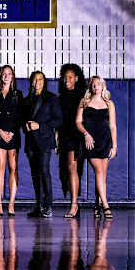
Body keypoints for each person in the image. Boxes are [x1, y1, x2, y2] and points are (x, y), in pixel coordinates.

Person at [76, 76, 117, 220]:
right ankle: (106, 205)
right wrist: (86, 134)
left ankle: (96, 205)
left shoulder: (109, 103)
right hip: (91, 142)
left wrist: (114, 146)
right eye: (93, 85)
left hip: (105, 141)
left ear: (103, 86)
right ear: (90, 87)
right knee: (99, 171)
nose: (95, 87)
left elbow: (112, 126)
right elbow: (78, 122)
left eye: (98, 84)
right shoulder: (84, 102)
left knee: (101, 176)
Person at [24, 71, 63, 218]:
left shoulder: (51, 98)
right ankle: (39, 206)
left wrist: (39, 126)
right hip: (31, 142)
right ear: (31, 82)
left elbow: (58, 120)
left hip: (45, 141)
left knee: (44, 172)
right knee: (35, 174)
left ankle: (48, 206)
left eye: (40, 79)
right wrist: (25, 126)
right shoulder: (27, 100)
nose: (37, 82)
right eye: (34, 79)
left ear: (44, 81)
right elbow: (24, 119)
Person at [0, 65, 24, 217]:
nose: (6, 76)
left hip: (13, 134)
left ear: (13, 77)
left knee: (13, 167)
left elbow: (21, 117)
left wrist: (12, 132)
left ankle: (11, 203)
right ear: (0, 76)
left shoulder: (18, 95)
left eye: (9, 74)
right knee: (0, 166)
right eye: (4, 74)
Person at [55, 63, 86, 218]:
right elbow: (59, 120)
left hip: (77, 136)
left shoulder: (82, 96)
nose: (67, 80)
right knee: (68, 170)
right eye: (65, 77)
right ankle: (75, 203)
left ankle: (74, 205)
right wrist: (56, 139)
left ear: (77, 79)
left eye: (70, 77)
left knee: (73, 169)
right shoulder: (61, 97)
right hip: (65, 137)